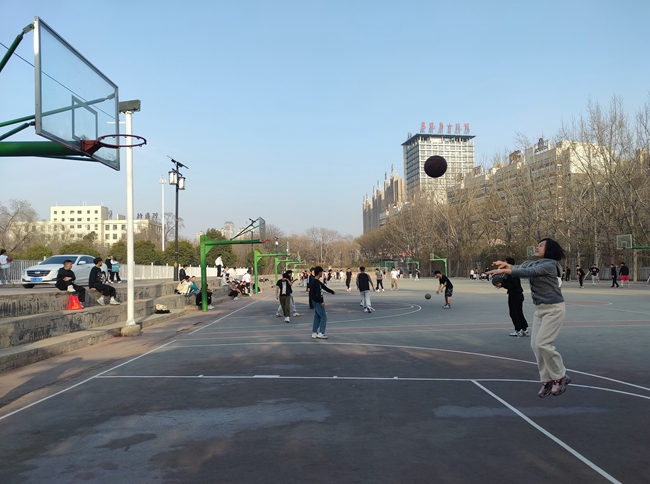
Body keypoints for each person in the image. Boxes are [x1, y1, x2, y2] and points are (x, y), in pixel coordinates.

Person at [488, 238, 570, 398]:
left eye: (541, 245)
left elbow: (527, 272)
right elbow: (522, 267)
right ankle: (547, 379)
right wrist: (507, 265)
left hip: (553, 309)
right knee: (535, 345)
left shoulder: (550, 265)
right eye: (538, 245)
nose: (537, 247)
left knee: (543, 344)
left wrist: (506, 271)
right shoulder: (534, 263)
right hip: (540, 309)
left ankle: (560, 376)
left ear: (550, 249)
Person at [496, 257, 529, 337]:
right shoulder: (511, 273)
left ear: (508, 263)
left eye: (505, 262)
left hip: (515, 295)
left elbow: (513, 285)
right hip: (517, 294)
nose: (503, 263)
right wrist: (501, 283)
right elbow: (507, 282)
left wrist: (502, 285)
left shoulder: (512, 273)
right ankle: (524, 329)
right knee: (519, 312)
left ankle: (518, 330)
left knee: (514, 313)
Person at [309, 266, 335, 339]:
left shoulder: (316, 281)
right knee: (323, 317)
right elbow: (318, 293)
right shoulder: (316, 282)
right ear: (319, 273)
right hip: (317, 302)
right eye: (322, 272)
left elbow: (323, 287)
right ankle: (321, 332)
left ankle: (314, 332)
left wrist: (331, 291)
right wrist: (321, 301)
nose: (322, 273)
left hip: (315, 301)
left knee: (317, 316)